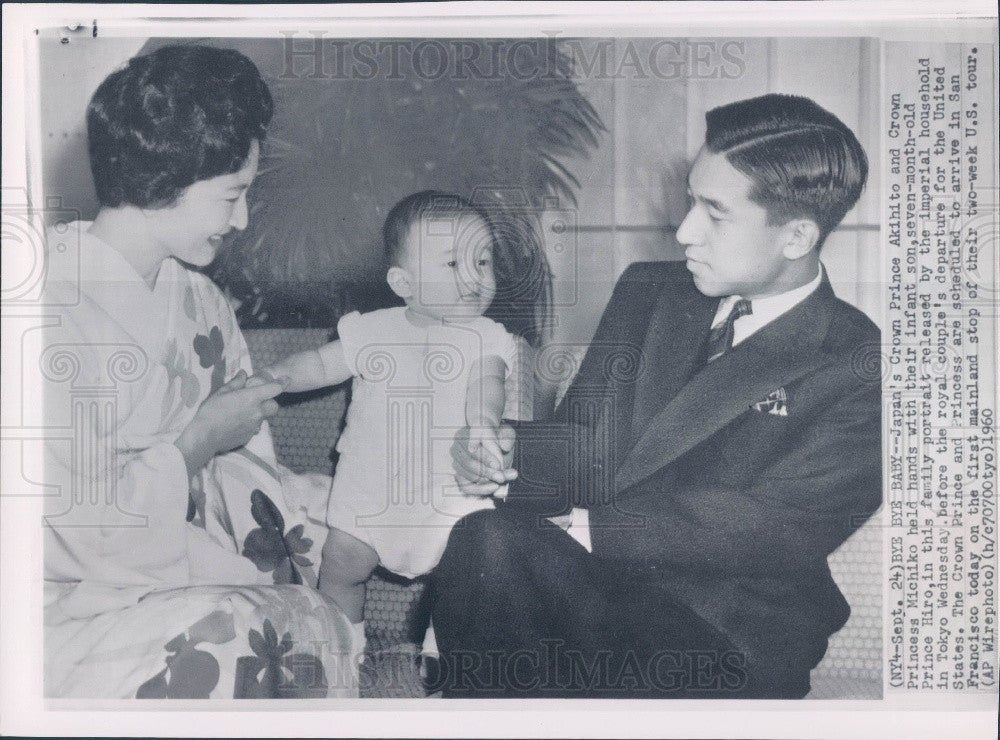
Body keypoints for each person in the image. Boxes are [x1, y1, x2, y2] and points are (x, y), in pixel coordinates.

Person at [433, 93, 882, 698]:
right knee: (485, 540)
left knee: (499, 555)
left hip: (724, 633)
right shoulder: (650, 291)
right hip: (601, 592)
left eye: (715, 212)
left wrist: (581, 526)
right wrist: (508, 450)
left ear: (796, 236)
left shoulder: (859, 359)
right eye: (692, 200)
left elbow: (773, 528)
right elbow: (588, 442)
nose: (684, 230)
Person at [42, 44, 356, 698]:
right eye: (231, 195)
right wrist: (193, 445)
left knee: (310, 621)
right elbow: (69, 523)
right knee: (234, 636)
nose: (241, 220)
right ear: (165, 177)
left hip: (174, 578)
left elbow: (250, 489)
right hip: (53, 605)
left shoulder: (204, 305)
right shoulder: (41, 302)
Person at [261, 190, 540, 656]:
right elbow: (320, 364)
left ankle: (444, 656)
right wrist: (273, 378)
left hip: (450, 498)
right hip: (371, 493)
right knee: (341, 564)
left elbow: (486, 384)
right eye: (453, 265)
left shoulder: (485, 336)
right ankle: (344, 656)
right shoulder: (372, 330)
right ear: (403, 282)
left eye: (484, 261)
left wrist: (482, 425)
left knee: (466, 581)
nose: (474, 277)